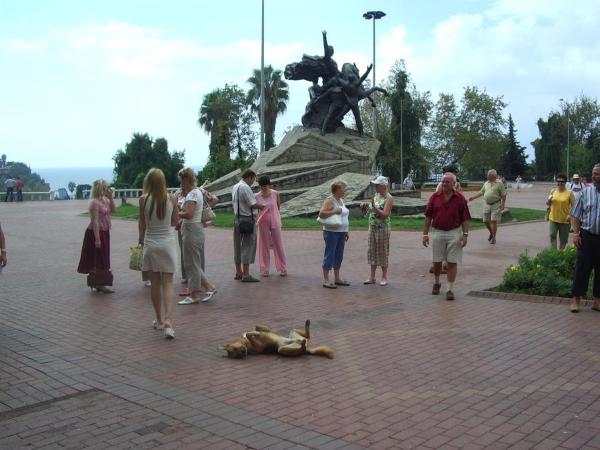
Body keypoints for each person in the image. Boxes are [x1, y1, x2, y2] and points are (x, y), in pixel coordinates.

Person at [138, 169, 178, 339]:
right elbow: (175, 222)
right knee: (168, 282)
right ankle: (169, 320)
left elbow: (142, 223)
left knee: (155, 283)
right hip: (167, 242)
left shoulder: (143, 199)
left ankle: (159, 320)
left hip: (151, 243)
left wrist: (140, 240)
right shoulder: (172, 198)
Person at [422, 172, 471, 301]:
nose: (444, 183)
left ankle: (449, 289)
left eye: (447, 181)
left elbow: (465, 219)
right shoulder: (434, 197)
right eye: (443, 181)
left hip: (454, 232)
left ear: (454, 184)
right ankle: (437, 282)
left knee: (452, 262)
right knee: (437, 262)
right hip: (437, 232)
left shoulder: (460, 198)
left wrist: (465, 235)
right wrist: (425, 234)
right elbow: (428, 217)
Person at [177, 168, 217, 304]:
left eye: (182, 180)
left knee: (191, 264)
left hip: (191, 229)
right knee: (194, 263)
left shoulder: (192, 194)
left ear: (187, 180)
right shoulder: (198, 192)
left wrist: (176, 213)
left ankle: (194, 294)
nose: (181, 184)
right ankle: (208, 287)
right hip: (195, 229)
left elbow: (189, 214)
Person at [569, 163, 600, 313]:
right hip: (586, 235)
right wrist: (575, 233)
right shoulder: (585, 193)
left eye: (598, 174)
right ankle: (576, 300)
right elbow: (575, 215)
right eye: (594, 173)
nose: (595, 176)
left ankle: (597, 301)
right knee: (582, 268)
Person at [77, 179, 116, 293]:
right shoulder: (94, 202)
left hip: (105, 230)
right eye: (105, 188)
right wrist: (97, 239)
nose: (107, 189)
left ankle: (99, 282)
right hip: (95, 232)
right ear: (100, 188)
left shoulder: (105, 200)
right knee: (98, 257)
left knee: (103, 256)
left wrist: (111, 197)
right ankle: (99, 283)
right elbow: (94, 221)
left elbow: (113, 210)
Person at [360, 176, 393, 286]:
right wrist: (364, 207)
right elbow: (369, 213)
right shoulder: (376, 196)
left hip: (383, 229)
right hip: (372, 227)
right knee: (372, 251)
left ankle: (384, 277)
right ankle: (372, 277)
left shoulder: (389, 198)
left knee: (383, 251)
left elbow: (385, 215)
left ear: (383, 186)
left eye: (377, 185)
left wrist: (374, 208)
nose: (375, 187)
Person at [232, 169, 264, 282]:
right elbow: (252, 204)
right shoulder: (245, 187)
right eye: (253, 179)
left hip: (237, 218)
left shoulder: (235, 186)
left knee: (237, 245)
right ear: (249, 177)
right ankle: (246, 274)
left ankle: (238, 272)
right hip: (247, 219)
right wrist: (262, 206)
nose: (253, 182)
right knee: (247, 246)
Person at [319, 180, 350, 288]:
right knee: (330, 254)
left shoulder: (341, 200)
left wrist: (346, 230)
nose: (345, 190)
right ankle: (326, 280)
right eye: (343, 188)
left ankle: (337, 278)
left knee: (339, 255)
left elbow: (345, 216)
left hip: (341, 232)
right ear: (337, 189)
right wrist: (334, 211)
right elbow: (322, 214)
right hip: (331, 232)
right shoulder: (329, 200)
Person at [255, 175, 288, 277]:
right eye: (262, 186)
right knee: (264, 245)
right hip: (263, 222)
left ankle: (283, 268)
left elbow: (278, 207)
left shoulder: (275, 193)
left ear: (269, 185)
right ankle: (265, 269)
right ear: (260, 186)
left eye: (266, 185)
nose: (264, 187)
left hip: (275, 221)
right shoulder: (256, 196)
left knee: (278, 244)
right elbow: (257, 210)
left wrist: (274, 216)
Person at [468, 169, 507, 244]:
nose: (488, 177)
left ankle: (494, 238)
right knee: (485, 221)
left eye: (490, 176)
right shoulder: (486, 183)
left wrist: (503, 205)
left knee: (493, 221)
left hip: (496, 204)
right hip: (487, 204)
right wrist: (473, 197)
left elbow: (503, 195)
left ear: (494, 176)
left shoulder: (499, 183)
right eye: (488, 176)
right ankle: (491, 233)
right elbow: (481, 192)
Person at [546, 174, 575, 250]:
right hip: (553, 218)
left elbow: (574, 206)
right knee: (552, 235)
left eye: (562, 181)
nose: (560, 183)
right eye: (558, 181)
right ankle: (554, 253)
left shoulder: (569, 193)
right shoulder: (553, 191)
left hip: (565, 220)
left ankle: (560, 254)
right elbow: (548, 204)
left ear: (565, 182)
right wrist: (548, 201)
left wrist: (570, 214)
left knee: (563, 240)